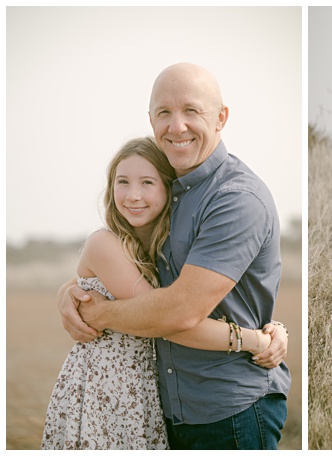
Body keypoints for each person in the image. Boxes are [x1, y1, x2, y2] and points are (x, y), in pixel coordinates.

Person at [56, 63, 292, 449]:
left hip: (227, 408)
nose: (177, 126)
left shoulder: (235, 199)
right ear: (151, 119)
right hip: (158, 406)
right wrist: (70, 291)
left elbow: (178, 310)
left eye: (191, 111)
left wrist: (98, 313)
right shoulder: (174, 194)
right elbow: (127, 272)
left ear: (221, 118)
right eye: (164, 112)